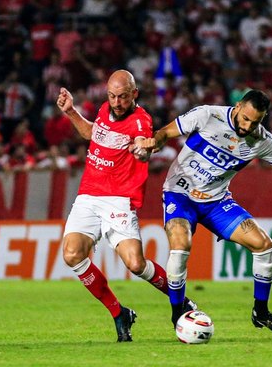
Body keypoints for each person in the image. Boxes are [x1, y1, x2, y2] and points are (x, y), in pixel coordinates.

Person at [141, 90, 272, 336]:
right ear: (238, 106)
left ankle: (260, 312)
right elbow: (165, 132)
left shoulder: (262, 141)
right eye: (246, 118)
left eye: (256, 122)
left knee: (264, 244)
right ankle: (178, 312)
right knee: (181, 244)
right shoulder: (207, 115)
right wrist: (154, 142)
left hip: (216, 202)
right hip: (180, 193)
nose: (248, 126)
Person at [56, 70, 195, 342]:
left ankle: (180, 300)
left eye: (121, 97)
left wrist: (143, 149)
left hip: (118, 199)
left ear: (134, 94)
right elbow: (92, 134)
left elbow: (143, 143)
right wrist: (71, 112)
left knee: (135, 263)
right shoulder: (104, 110)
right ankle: (119, 313)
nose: (116, 102)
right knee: (72, 255)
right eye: (111, 96)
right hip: (88, 195)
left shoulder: (140, 120)